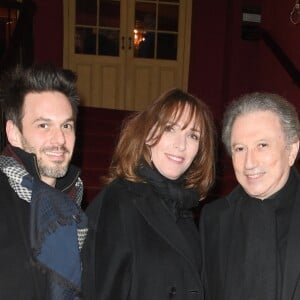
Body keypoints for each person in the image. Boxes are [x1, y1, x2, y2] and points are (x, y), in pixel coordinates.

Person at [82, 88, 216, 299]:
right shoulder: (118, 201)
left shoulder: (183, 206)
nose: (180, 145)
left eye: (192, 135)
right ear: (147, 134)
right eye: (170, 128)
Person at [199, 92, 300, 300]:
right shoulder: (213, 219)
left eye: (262, 145)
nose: (249, 163)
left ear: (291, 150)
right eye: (240, 149)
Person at [0, 64, 88, 299]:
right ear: (14, 132)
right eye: (43, 125)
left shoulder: (73, 208)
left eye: (66, 125)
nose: (59, 138)